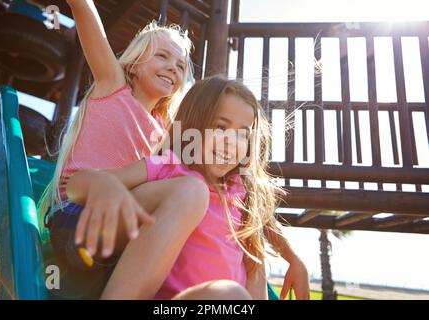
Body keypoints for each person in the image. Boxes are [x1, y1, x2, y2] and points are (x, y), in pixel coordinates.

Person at [67, 76, 310, 299]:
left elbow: (264, 230)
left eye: (243, 135)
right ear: (194, 124)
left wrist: (293, 258)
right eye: (221, 127)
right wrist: (106, 187)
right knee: (230, 294)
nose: (231, 142)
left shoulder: (241, 193)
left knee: (236, 290)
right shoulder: (170, 166)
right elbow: (75, 185)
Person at [39, 0, 210, 299]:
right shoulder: (113, 87)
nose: (173, 66)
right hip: (77, 215)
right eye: (162, 56)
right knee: (188, 191)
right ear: (133, 64)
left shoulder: (166, 133)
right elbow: (86, 16)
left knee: (193, 192)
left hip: (122, 227)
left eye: (181, 65)